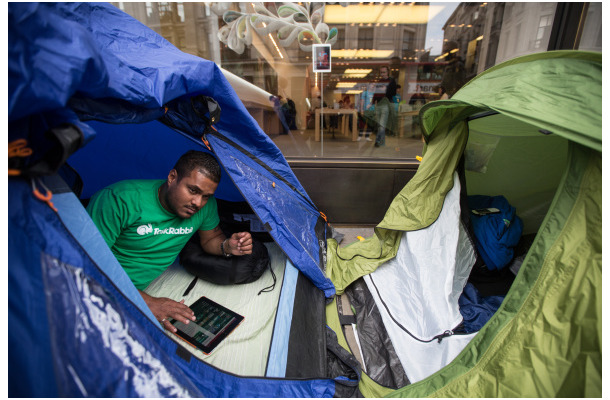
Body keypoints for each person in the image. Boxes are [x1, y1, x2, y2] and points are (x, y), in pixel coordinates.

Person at [87, 150, 253, 332]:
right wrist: (148, 302)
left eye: (205, 196)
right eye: (193, 190)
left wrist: (227, 246)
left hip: (136, 292)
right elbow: (87, 264)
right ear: (172, 177)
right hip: (98, 287)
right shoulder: (119, 199)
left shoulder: (207, 206)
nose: (198, 202)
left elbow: (211, 238)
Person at [373, 65, 398, 147]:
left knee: (382, 124)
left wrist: (386, 90)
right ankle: (382, 142)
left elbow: (394, 93)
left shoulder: (391, 81)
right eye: (381, 72)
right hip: (378, 105)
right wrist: (373, 103)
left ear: (387, 72)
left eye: (384, 72)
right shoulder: (379, 81)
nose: (382, 74)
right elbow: (376, 93)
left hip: (386, 104)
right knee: (379, 124)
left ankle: (377, 141)